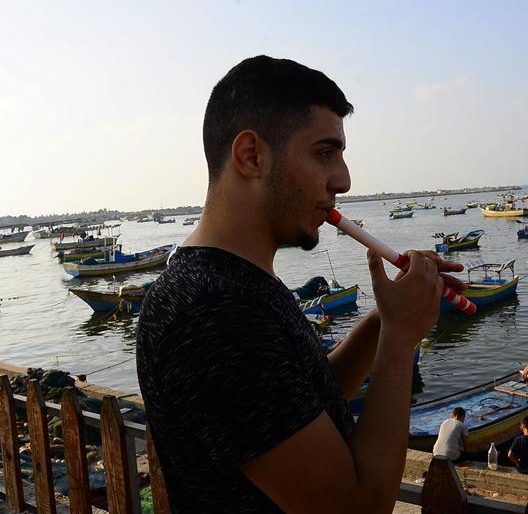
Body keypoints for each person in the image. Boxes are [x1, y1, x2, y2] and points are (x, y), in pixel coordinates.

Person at [136, 55, 467, 513]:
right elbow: (358, 508)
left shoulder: (237, 282)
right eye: (325, 153)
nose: (344, 180)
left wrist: (384, 318)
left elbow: (304, 399)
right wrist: (399, 340)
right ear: (251, 156)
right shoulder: (213, 312)